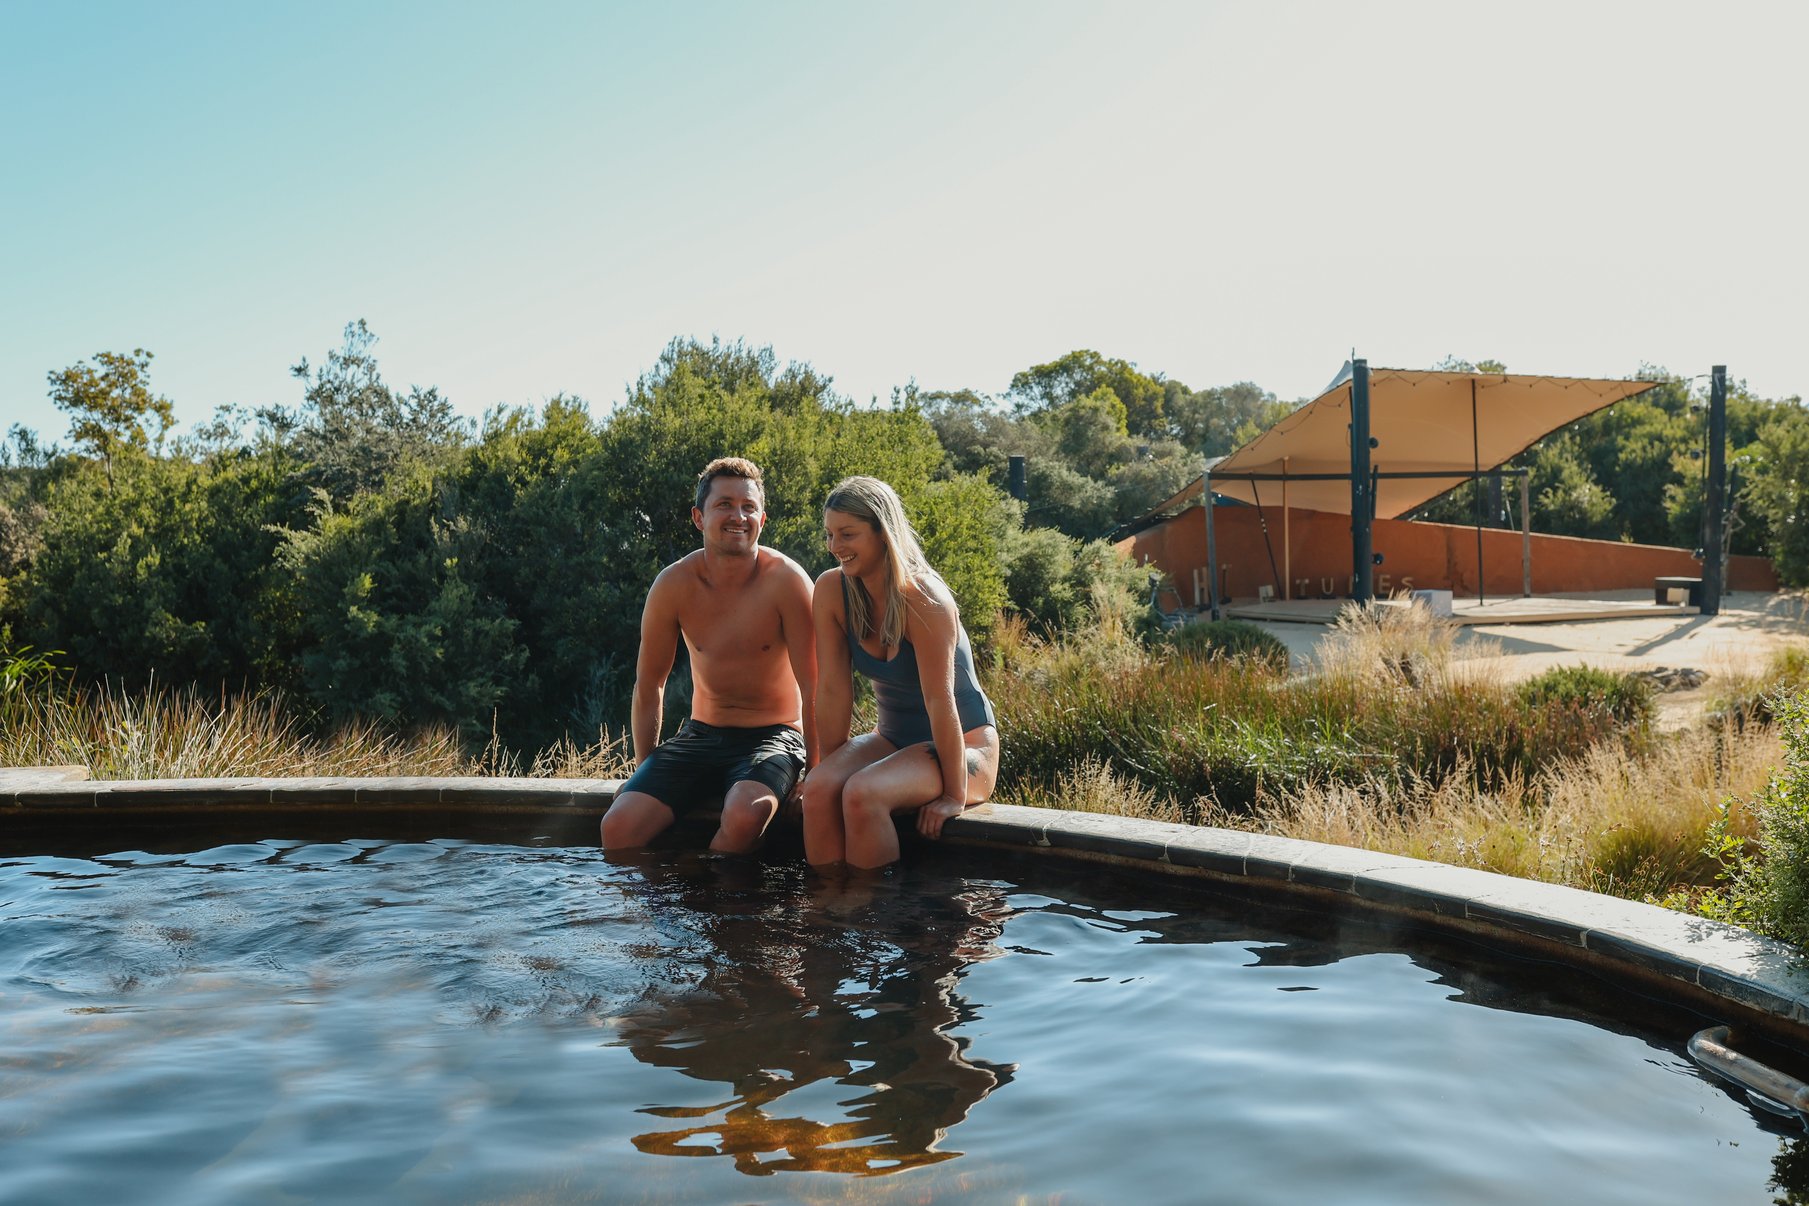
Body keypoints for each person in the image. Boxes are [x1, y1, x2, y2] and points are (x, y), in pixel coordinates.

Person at [600, 457, 816, 854]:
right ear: (699, 517)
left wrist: (815, 774)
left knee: (746, 815)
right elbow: (650, 685)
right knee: (618, 826)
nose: (739, 516)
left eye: (748, 507)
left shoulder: (787, 581)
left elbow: (816, 686)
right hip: (702, 735)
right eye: (725, 505)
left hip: (775, 735)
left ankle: (710, 890)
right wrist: (644, 770)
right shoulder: (674, 584)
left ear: (762, 519)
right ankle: (666, 896)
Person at [802, 476, 999, 870]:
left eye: (847, 534)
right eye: (829, 535)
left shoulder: (925, 599)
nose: (835, 546)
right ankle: (829, 905)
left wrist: (953, 796)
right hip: (891, 740)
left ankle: (876, 907)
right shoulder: (832, 590)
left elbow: (939, 700)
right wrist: (831, 770)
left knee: (863, 793)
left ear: (883, 532)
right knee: (819, 789)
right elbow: (833, 691)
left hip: (964, 746)